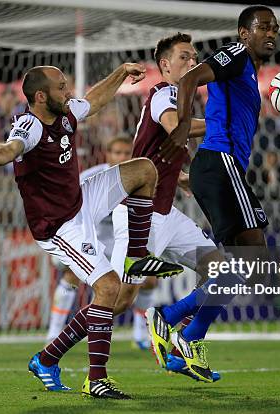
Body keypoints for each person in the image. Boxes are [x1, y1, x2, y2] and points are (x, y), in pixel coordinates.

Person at [0, 64, 184, 399]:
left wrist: (121, 73)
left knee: (144, 170)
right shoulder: (30, 125)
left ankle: (134, 260)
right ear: (41, 96)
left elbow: (93, 101)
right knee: (109, 289)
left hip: (81, 200)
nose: (67, 92)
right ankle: (95, 378)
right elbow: (10, 148)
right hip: (58, 226)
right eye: (61, 87)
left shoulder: (66, 113)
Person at [152, 5, 279, 380]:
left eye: (275, 28)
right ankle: (172, 319)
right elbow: (190, 78)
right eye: (263, 27)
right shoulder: (236, 55)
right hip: (219, 162)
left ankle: (187, 334)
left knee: (247, 264)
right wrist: (178, 130)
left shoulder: (248, 71)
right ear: (244, 33)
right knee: (252, 254)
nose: (271, 33)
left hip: (225, 169)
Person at [103, 33, 223, 382]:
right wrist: (225, 125)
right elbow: (174, 129)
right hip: (141, 215)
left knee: (222, 272)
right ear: (165, 65)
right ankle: (53, 353)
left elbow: (163, 151)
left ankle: (179, 337)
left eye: (195, 57)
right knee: (120, 299)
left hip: (167, 214)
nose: (192, 62)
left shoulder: (180, 100)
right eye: (184, 57)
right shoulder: (164, 94)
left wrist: (181, 178)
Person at [46, 135, 134, 342]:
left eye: (126, 153)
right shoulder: (91, 176)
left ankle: (140, 335)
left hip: (120, 240)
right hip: (90, 236)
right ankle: (53, 333)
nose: (121, 157)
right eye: (117, 153)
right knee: (72, 275)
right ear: (108, 155)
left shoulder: (137, 177)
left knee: (144, 282)